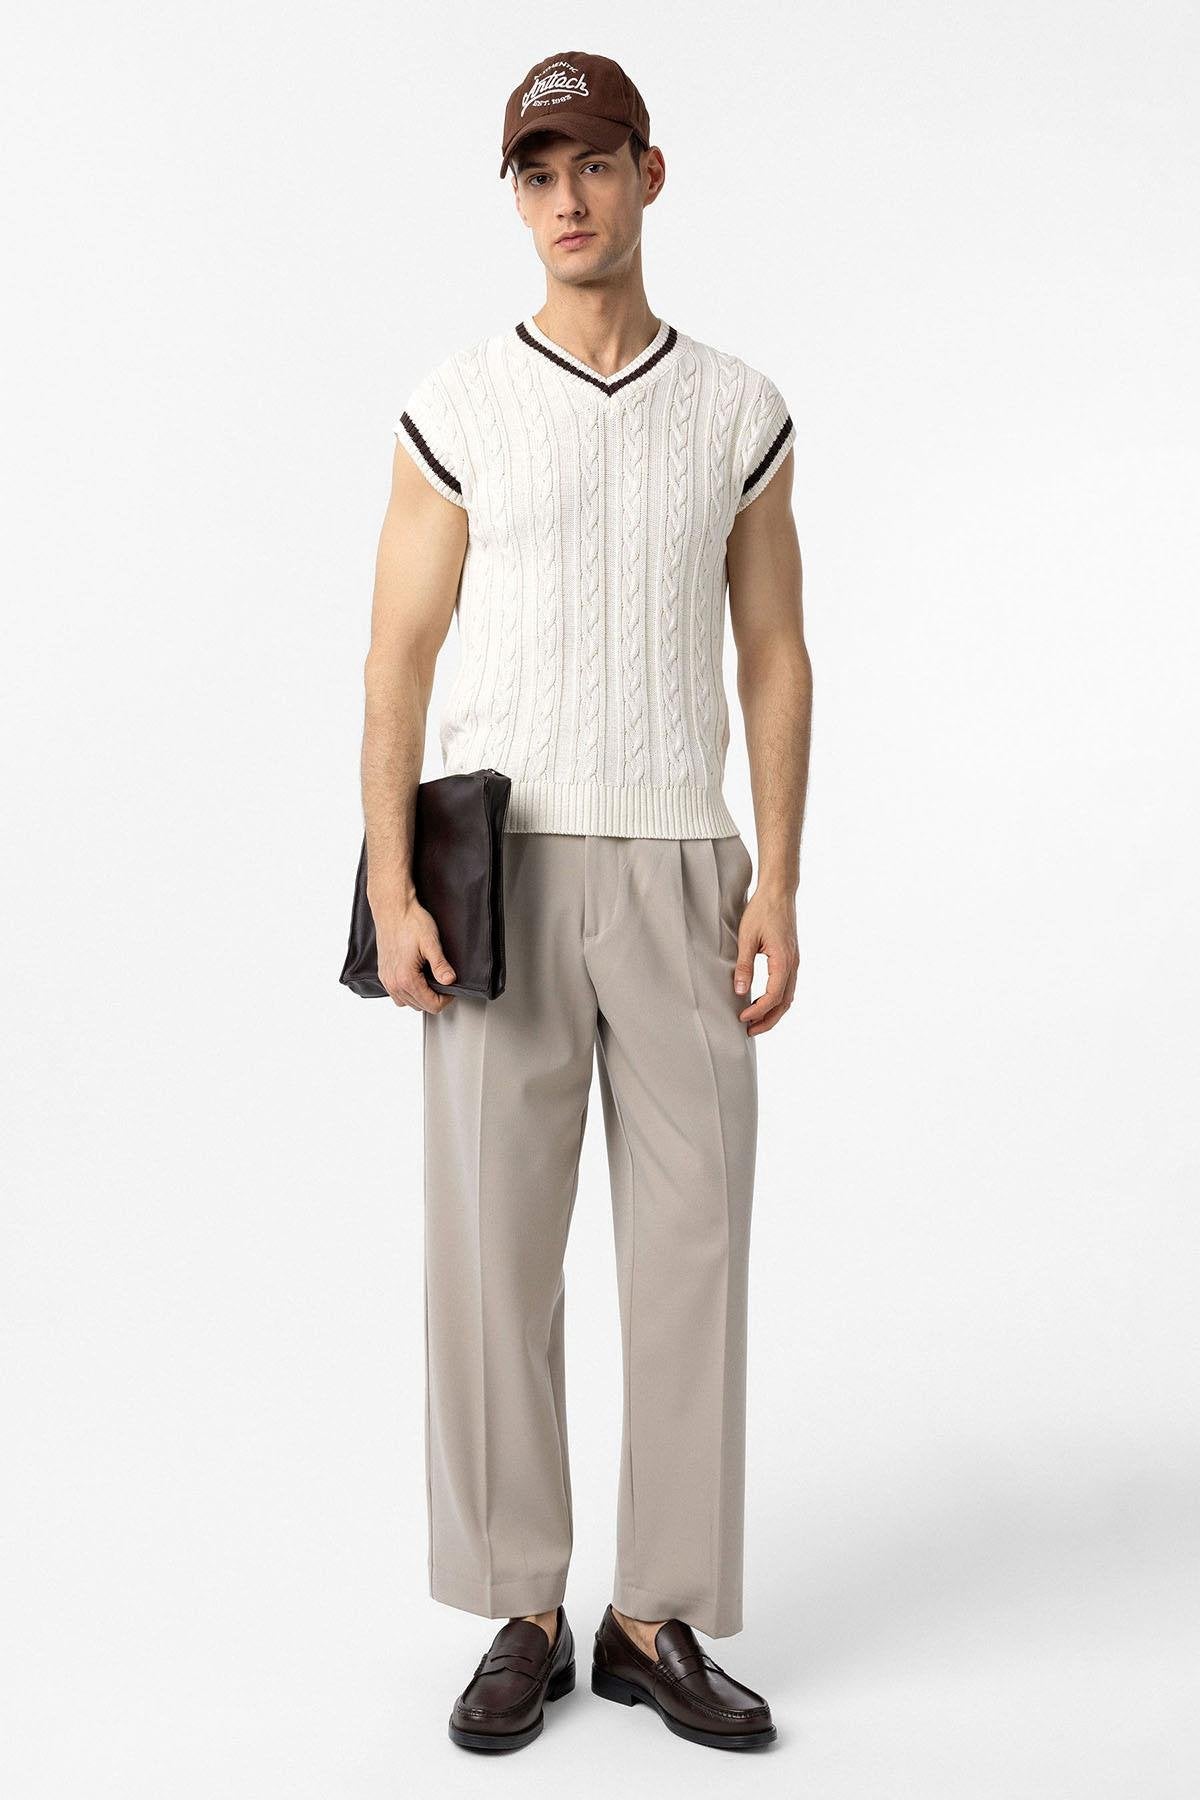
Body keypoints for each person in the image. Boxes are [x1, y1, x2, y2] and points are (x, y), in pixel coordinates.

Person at [359, 49, 812, 1754]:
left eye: (594, 165)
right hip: (501, 871)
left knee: (695, 1244)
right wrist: (393, 876)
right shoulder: (457, 404)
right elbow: (398, 655)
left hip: (684, 866)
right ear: (518, 195)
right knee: (492, 1253)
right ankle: (522, 1607)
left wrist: (779, 872)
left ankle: (652, 1616)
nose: (566, 199)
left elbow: (776, 652)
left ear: (648, 175)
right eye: (538, 173)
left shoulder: (740, 409)